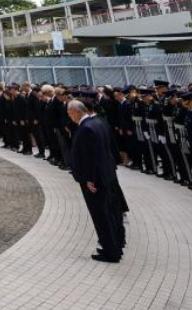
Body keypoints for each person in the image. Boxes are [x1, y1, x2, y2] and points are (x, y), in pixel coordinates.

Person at [68, 99, 124, 263]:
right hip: (106, 174)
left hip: (96, 179)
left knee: (101, 215)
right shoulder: (98, 122)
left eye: (69, 113)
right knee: (109, 213)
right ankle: (115, 245)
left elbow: (91, 156)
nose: (69, 116)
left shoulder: (86, 128)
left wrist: (90, 179)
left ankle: (110, 251)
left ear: (77, 111)